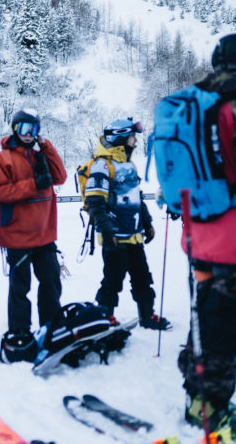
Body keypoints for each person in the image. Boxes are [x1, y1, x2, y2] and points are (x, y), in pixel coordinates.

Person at [176, 33, 236, 439]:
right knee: (226, 328)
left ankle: (197, 398)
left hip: (201, 237)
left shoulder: (191, 107)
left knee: (207, 320)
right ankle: (211, 414)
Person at [0, 109, 67, 361]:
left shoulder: (40, 156)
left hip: (44, 234)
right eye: (24, 128)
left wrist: (47, 147)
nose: (29, 134)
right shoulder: (3, 159)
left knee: (51, 281)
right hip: (17, 235)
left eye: (34, 129)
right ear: (15, 129)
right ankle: (19, 331)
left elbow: (60, 177)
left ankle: (51, 326)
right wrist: (34, 185)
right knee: (20, 287)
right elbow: (3, 192)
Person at [83, 118, 170, 331]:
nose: (136, 141)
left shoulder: (129, 165)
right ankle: (105, 315)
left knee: (142, 276)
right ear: (121, 138)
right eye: (132, 137)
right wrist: (106, 229)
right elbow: (95, 201)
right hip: (114, 235)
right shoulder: (102, 165)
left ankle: (146, 314)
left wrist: (147, 222)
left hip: (133, 233)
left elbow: (136, 197)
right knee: (113, 278)